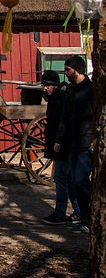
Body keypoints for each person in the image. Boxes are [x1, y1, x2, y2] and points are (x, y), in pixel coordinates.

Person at [54, 54, 93, 235]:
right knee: (73, 182)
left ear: (76, 70)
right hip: (71, 143)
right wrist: (59, 140)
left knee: (81, 181)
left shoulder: (90, 90)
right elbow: (64, 118)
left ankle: (88, 218)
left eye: (67, 69)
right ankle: (83, 216)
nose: (65, 72)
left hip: (85, 142)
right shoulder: (70, 91)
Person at [39, 69, 79, 225]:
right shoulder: (55, 98)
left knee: (63, 178)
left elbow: (62, 123)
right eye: (44, 85)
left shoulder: (61, 99)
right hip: (61, 143)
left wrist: (59, 141)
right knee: (67, 178)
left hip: (63, 144)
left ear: (54, 85)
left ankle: (62, 212)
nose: (45, 88)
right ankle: (76, 210)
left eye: (47, 85)